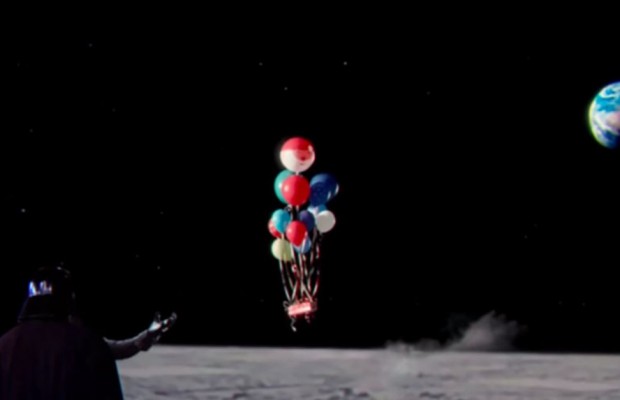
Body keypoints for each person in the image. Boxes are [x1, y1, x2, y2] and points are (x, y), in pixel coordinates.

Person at [0, 266, 176, 399]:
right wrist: (145, 338)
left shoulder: (5, 344)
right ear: (69, 299)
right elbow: (108, 354)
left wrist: (144, 338)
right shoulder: (87, 344)